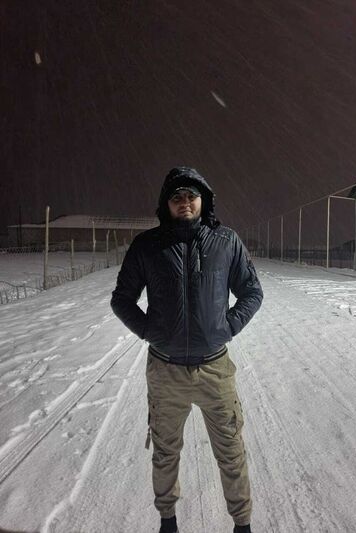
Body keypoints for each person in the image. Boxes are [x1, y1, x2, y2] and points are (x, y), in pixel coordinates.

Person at [111, 167, 263, 533]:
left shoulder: (225, 241)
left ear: (203, 200)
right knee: (165, 453)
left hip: (214, 370)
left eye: (191, 196)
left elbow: (252, 292)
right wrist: (149, 330)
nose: (185, 202)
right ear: (166, 204)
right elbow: (122, 299)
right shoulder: (148, 245)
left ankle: (242, 523)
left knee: (231, 451)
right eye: (177, 197)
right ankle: (168, 521)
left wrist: (227, 326)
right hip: (166, 372)